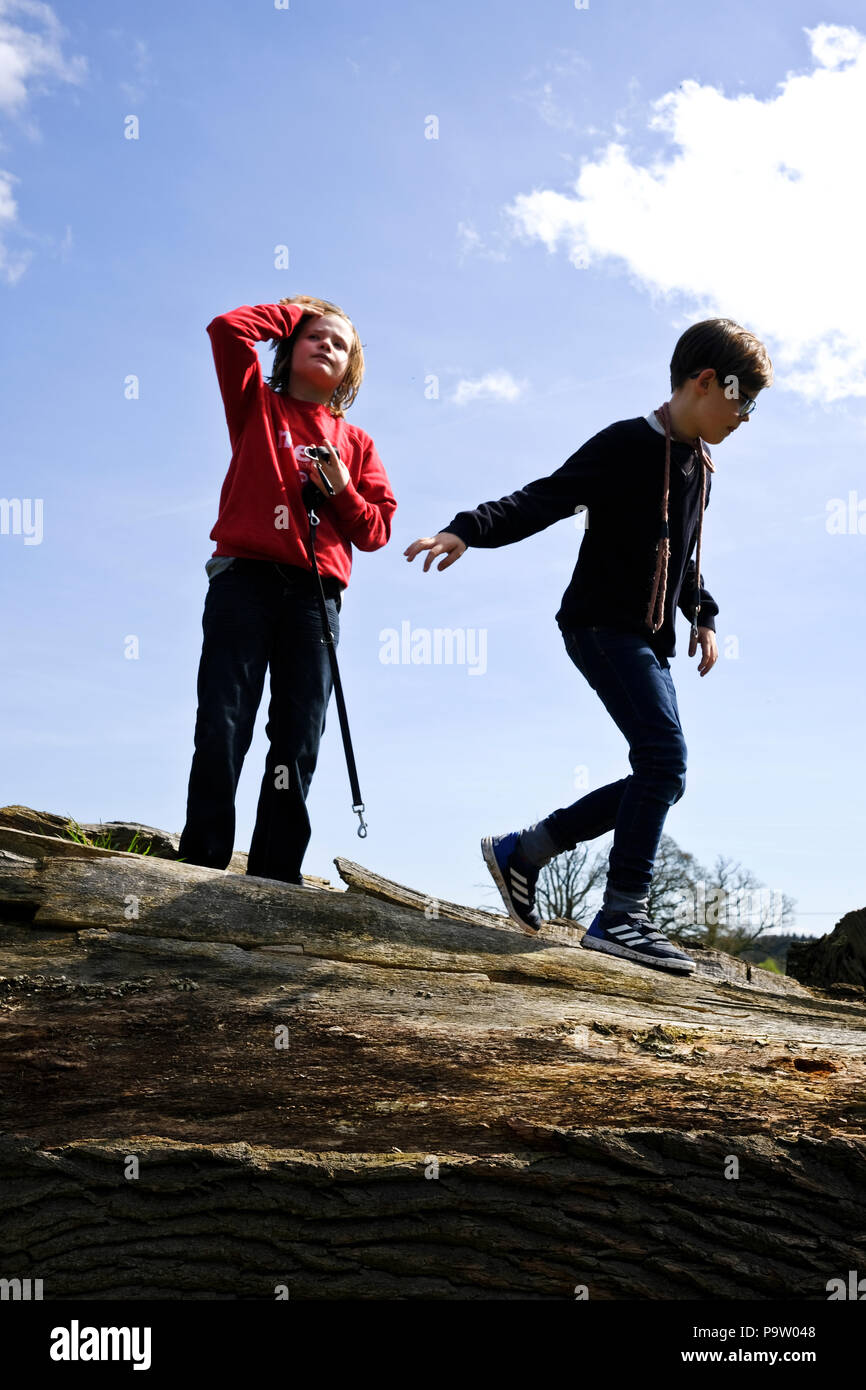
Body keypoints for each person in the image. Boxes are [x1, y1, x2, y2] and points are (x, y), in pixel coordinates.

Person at [404, 319, 773, 974]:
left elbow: (684, 559)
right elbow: (546, 497)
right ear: (705, 381)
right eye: (742, 401)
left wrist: (703, 616)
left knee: (663, 775)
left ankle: (527, 850)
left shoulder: (699, 468)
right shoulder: (627, 443)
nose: (746, 417)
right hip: (600, 626)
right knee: (664, 760)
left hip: (648, 638)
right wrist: (466, 530)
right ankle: (621, 915)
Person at [178, 297, 396, 884]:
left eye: (341, 344)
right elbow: (226, 328)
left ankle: (275, 875)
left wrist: (342, 488)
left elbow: (376, 530)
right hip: (243, 579)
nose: (327, 345)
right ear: (289, 346)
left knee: (297, 736)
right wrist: (288, 310)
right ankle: (200, 860)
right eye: (314, 336)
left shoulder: (357, 443)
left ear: (351, 370)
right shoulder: (255, 404)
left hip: (314, 598)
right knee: (223, 721)